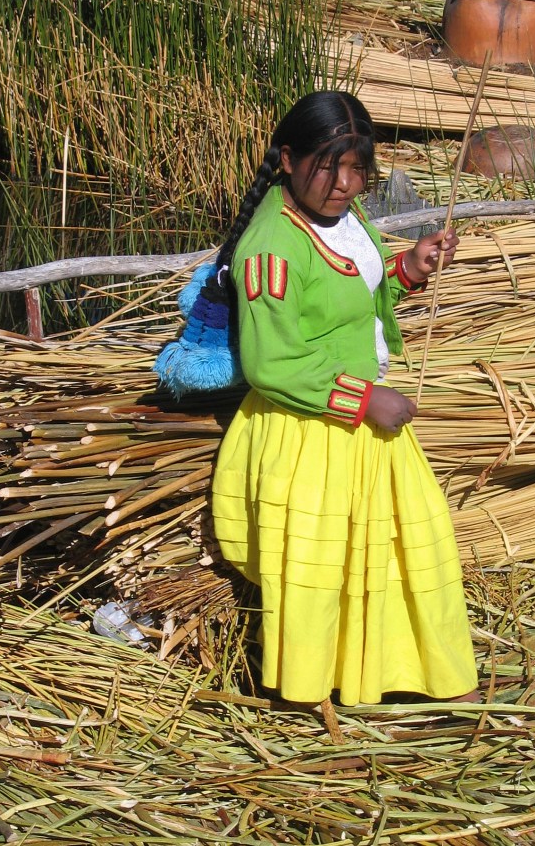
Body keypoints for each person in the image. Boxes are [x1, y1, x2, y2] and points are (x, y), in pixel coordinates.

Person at [210, 90, 478, 707]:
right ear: (286, 159)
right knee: (320, 566)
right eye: (329, 166)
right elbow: (272, 362)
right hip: (309, 430)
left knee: (404, 548)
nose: (345, 183)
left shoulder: (340, 219)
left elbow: (352, 294)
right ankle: (310, 692)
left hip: (359, 426)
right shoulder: (270, 248)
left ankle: (410, 672)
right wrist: (364, 400)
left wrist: (408, 267)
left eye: (357, 168)